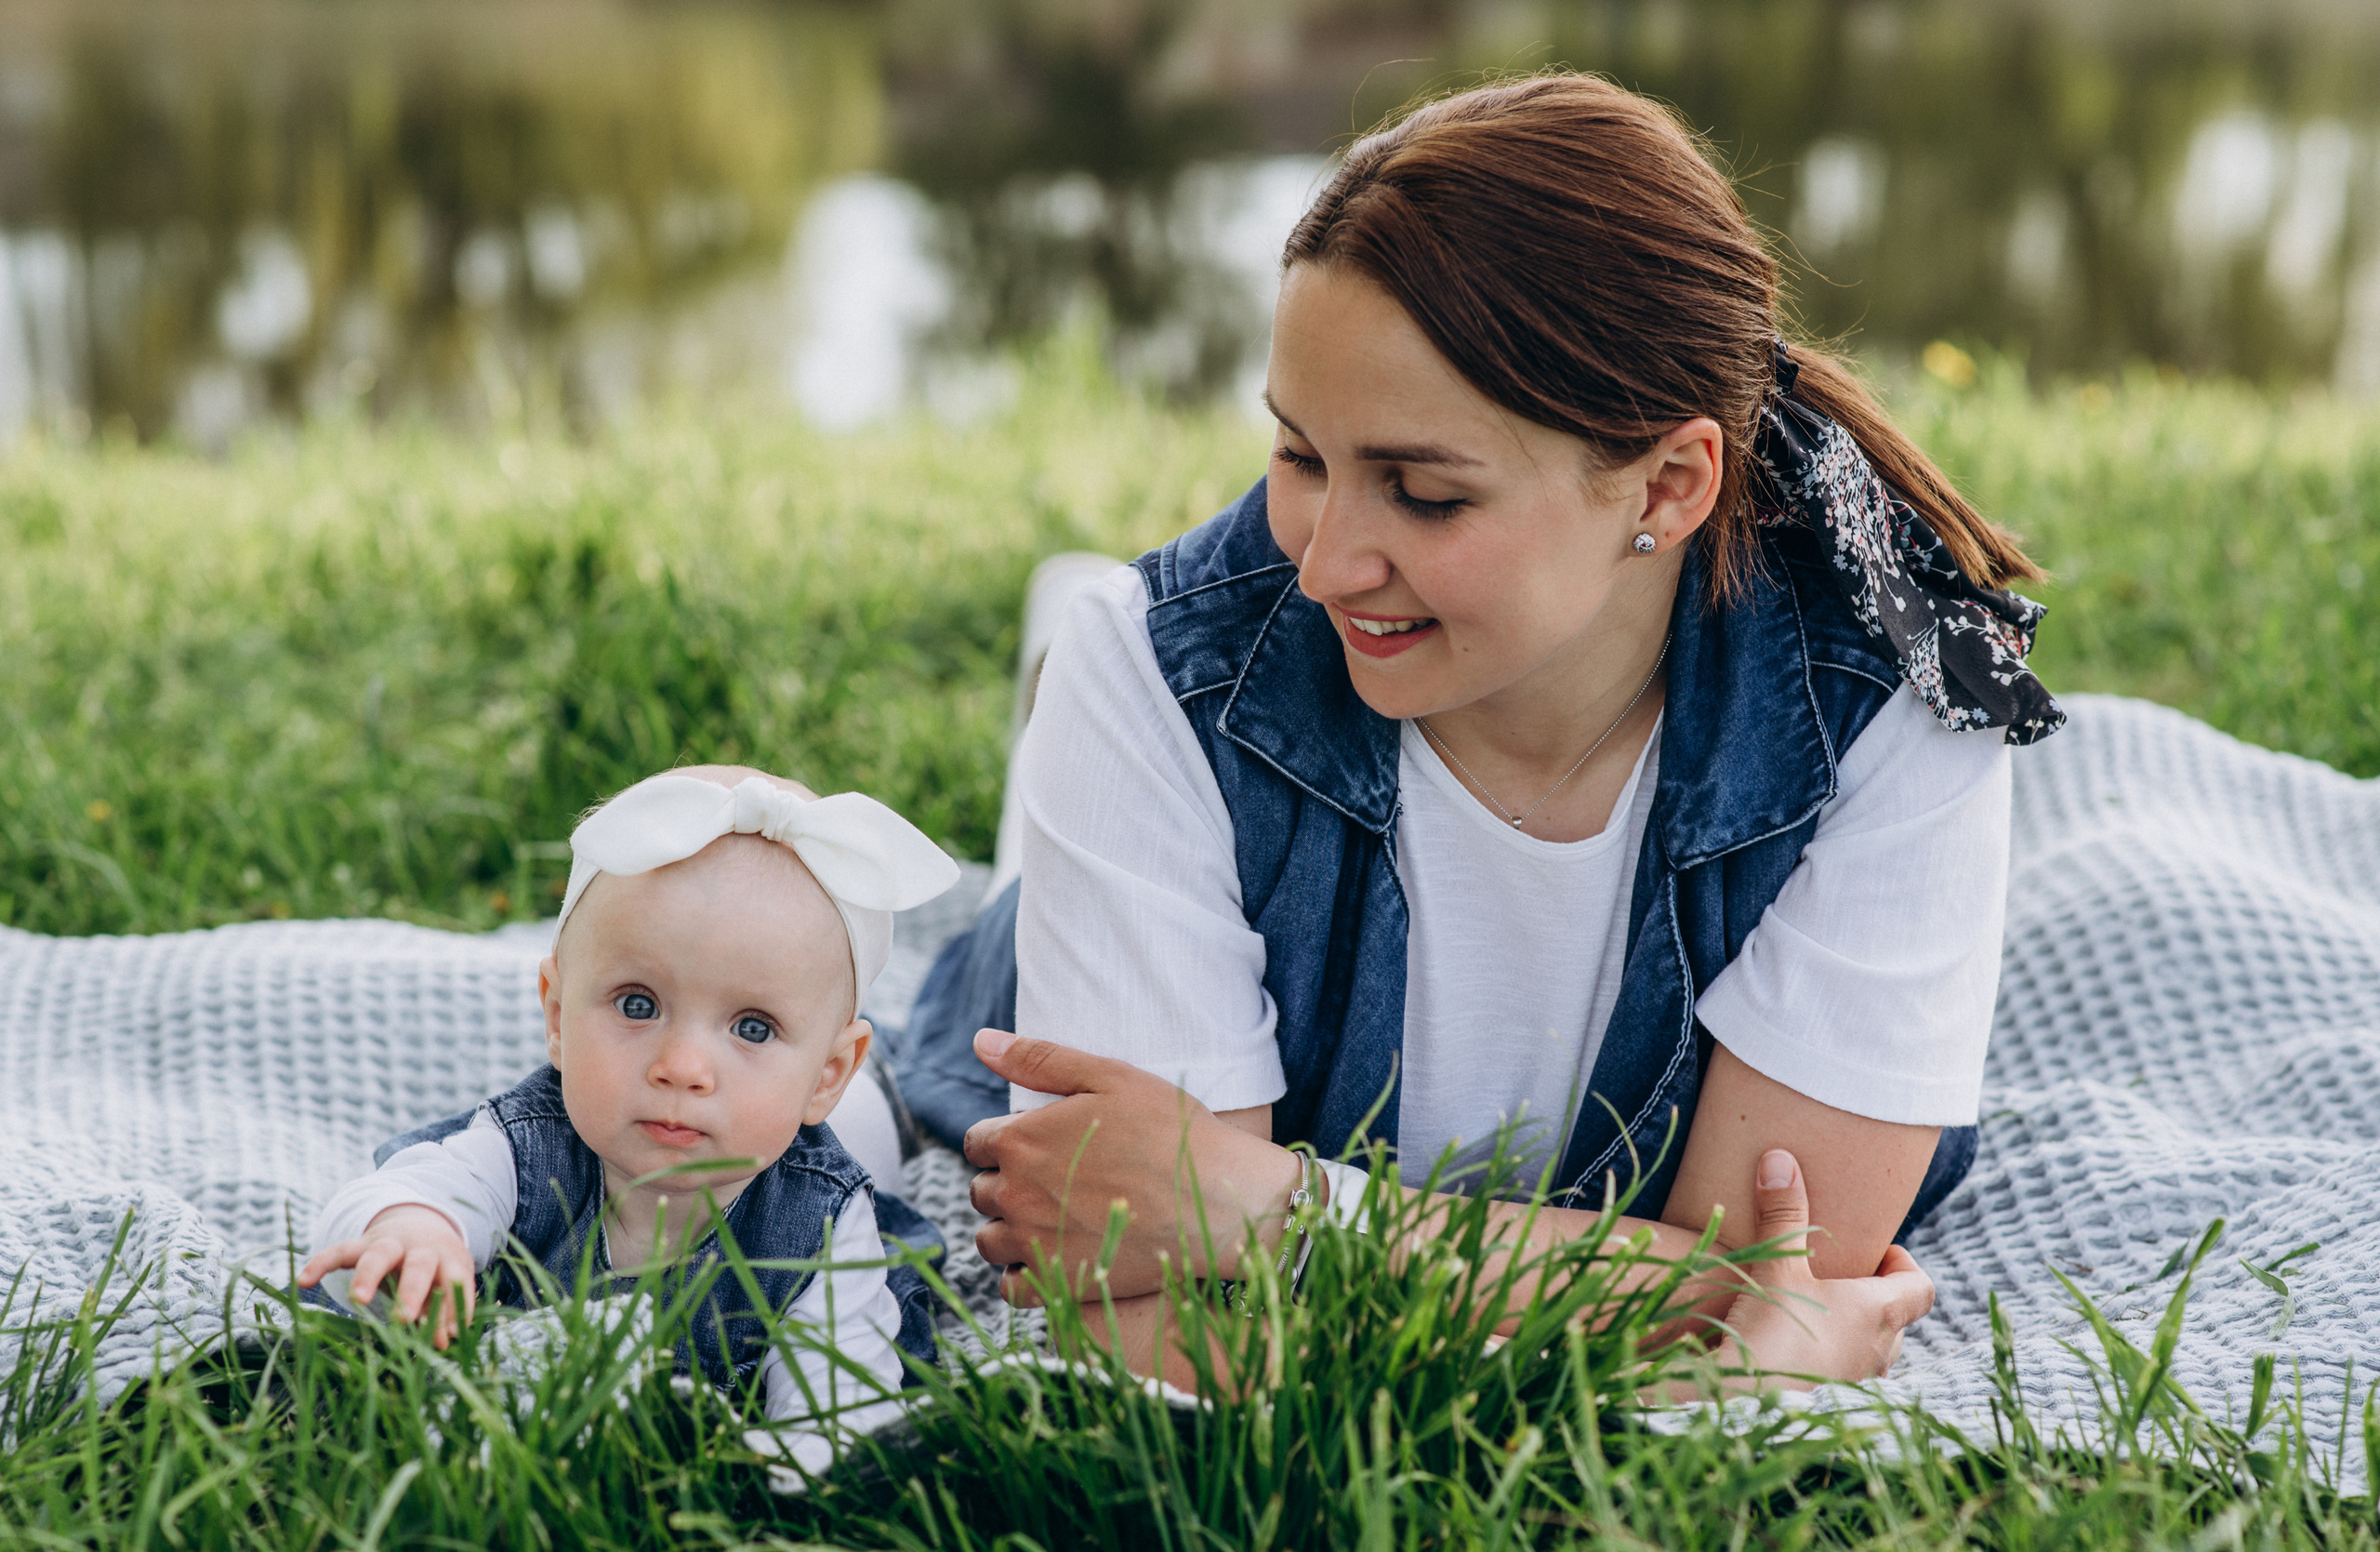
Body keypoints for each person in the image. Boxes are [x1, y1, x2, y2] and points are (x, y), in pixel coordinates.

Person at [912, 74, 2065, 1388]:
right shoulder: (1151, 665)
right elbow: (1149, 1335)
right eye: (1300, 456)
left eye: (1422, 492)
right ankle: (1051, 688)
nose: (1327, 562)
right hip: (1112, 808)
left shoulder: (1904, 693)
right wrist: (1674, 1320)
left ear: (1669, 483)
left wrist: (1261, 1206)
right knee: (1086, 731)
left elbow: (1788, 1275)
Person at [299, 765, 959, 1466]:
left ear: (826, 1074)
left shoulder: (823, 1225)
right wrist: (413, 1231)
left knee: (889, 1122)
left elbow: (839, 1408)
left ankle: (892, 1076)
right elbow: (400, 1196)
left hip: (852, 1130)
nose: (683, 1065)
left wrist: (801, 1481)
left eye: (753, 1027)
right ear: (557, 1015)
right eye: (637, 1005)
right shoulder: (523, 1148)